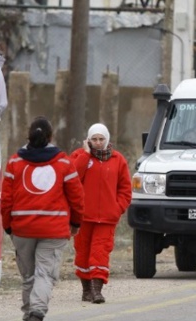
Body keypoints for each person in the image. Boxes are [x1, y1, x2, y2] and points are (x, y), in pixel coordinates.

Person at [1, 116, 85, 321]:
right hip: (54, 230)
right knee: (44, 274)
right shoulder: (64, 163)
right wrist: (75, 223)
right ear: (51, 136)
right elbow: (77, 198)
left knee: (29, 276)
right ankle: (36, 313)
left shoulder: (14, 162)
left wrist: (8, 227)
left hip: (22, 229)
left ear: (28, 135)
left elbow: (6, 200)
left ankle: (29, 313)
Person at [69, 123, 132, 304]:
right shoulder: (78, 156)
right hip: (83, 216)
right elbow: (72, 178)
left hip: (107, 218)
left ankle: (97, 290)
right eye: (94, 139)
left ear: (107, 139)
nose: (98, 143)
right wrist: (85, 154)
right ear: (88, 140)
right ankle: (86, 289)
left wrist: (117, 208)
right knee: (82, 253)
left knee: (100, 252)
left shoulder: (118, 160)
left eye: (101, 139)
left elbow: (125, 190)